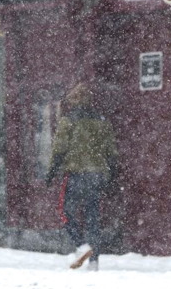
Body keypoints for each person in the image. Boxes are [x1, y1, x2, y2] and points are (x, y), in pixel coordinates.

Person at [45, 83, 119, 271]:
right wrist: (112, 175)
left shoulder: (68, 120)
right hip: (97, 174)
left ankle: (81, 246)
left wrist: (52, 171)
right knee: (92, 216)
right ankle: (94, 262)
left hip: (75, 173)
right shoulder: (102, 121)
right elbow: (111, 151)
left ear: (74, 100)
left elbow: (59, 149)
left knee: (64, 210)